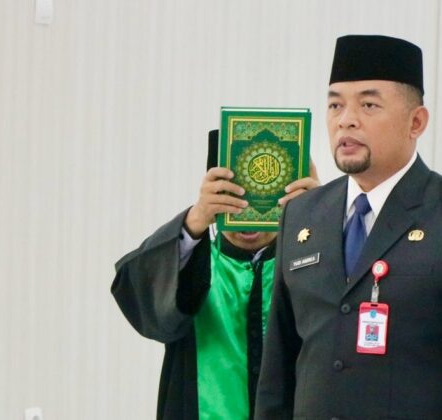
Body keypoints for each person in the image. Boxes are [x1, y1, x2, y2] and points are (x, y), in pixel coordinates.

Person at [255, 35, 442, 419]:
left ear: (415, 122)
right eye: (335, 104)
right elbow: (278, 372)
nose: (346, 119)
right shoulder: (302, 215)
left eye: (368, 105)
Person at [112, 130, 319, 419]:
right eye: (234, 198)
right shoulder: (189, 265)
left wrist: (321, 217)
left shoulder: (309, 264)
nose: (246, 212)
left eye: (261, 198)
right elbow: (142, 301)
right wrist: (195, 219)